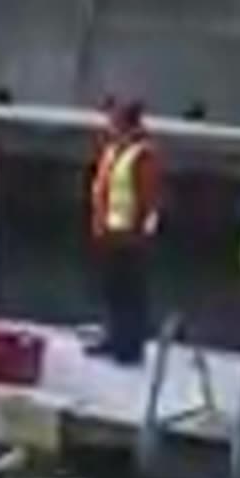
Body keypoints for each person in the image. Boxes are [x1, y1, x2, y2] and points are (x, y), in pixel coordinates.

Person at [86, 100, 161, 367]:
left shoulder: (142, 155)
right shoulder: (114, 150)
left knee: (131, 294)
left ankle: (130, 346)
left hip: (129, 237)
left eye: (113, 121)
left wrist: (140, 234)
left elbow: (148, 199)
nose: (108, 126)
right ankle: (114, 337)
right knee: (113, 291)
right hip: (110, 232)